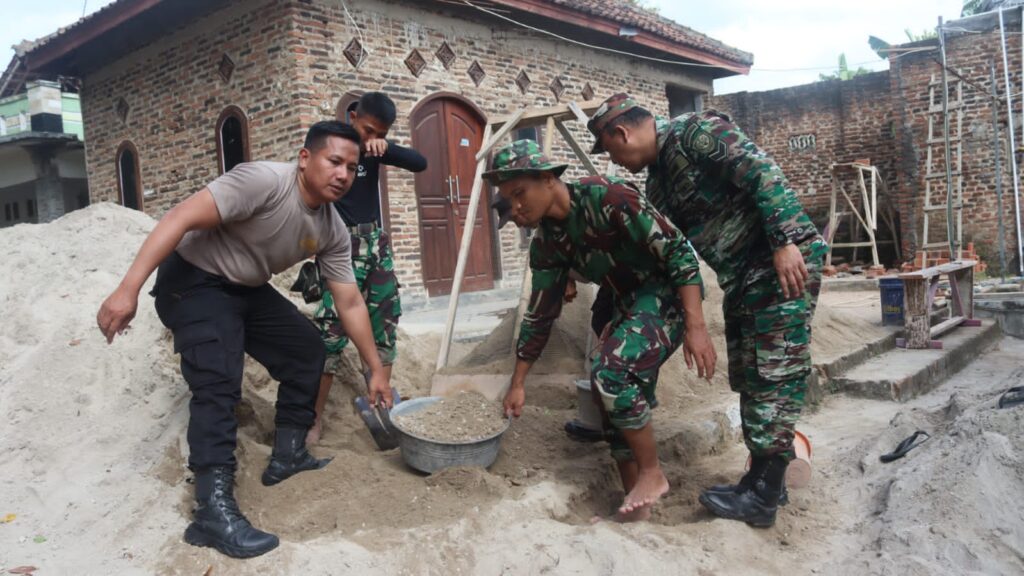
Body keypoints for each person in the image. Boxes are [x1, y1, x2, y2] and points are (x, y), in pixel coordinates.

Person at [96, 121, 392, 558]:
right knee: (218, 379)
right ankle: (211, 512)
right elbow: (178, 218)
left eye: (352, 167)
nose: (343, 175)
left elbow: (349, 303)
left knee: (307, 349)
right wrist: (128, 289)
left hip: (245, 288)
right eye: (334, 161)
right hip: (192, 281)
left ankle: (288, 453)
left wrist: (377, 369)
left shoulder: (331, 227)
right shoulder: (263, 183)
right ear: (306, 158)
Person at [588, 93, 827, 527]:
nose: (617, 162)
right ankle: (761, 481)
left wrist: (785, 240)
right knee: (751, 373)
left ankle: (764, 497)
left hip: (777, 264)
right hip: (742, 278)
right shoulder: (658, 183)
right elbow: (658, 254)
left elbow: (761, 172)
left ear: (622, 132)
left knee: (775, 373)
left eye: (612, 151)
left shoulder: (695, 132)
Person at [484, 139, 717, 522]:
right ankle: (635, 508)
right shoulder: (547, 244)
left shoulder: (609, 198)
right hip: (627, 301)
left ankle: (652, 473)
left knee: (613, 373)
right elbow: (540, 314)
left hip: (668, 293)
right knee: (606, 394)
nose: (517, 206)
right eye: (509, 197)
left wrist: (697, 326)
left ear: (547, 179)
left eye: (520, 193)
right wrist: (519, 382)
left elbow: (678, 253)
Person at [308, 92, 427, 444]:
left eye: (380, 132)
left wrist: (384, 146)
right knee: (330, 333)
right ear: (353, 115)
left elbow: (420, 162)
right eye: (368, 129)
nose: (370, 137)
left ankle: (382, 407)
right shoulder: (336, 147)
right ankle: (312, 420)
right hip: (339, 247)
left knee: (385, 322)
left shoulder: (374, 149)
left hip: (376, 245)